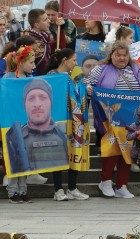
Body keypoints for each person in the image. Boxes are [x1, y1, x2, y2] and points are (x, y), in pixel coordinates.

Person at [85, 42, 140, 199]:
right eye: (118, 55)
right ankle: (105, 180)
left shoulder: (136, 69)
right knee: (112, 148)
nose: (122, 58)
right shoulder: (101, 69)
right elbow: (87, 83)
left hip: (131, 117)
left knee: (129, 149)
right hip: (110, 117)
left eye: (124, 55)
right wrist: (89, 89)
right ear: (111, 56)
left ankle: (122, 185)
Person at [45, 48, 90, 201]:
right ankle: (58, 189)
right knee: (58, 153)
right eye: (73, 60)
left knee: (74, 150)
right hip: (58, 120)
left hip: (74, 120)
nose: (75, 63)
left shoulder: (74, 77)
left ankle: (72, 187)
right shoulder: (52, 76)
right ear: (64, 60)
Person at [3, 46, 36, 203]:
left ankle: (23, 189)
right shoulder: (8, 79)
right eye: (31, 62)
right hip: (11, 122)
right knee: (14, 156)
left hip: (27, 122)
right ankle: (12, 190)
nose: (33, 65)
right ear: (21, 62)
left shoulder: (31, 78)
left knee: (26, 156)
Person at [26, 9, 56, 76]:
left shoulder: (45, 37)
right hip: (36, 78)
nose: (49, 21)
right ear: (37, 25)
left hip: (44, 75)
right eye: (45, 19)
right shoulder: (31, 41)